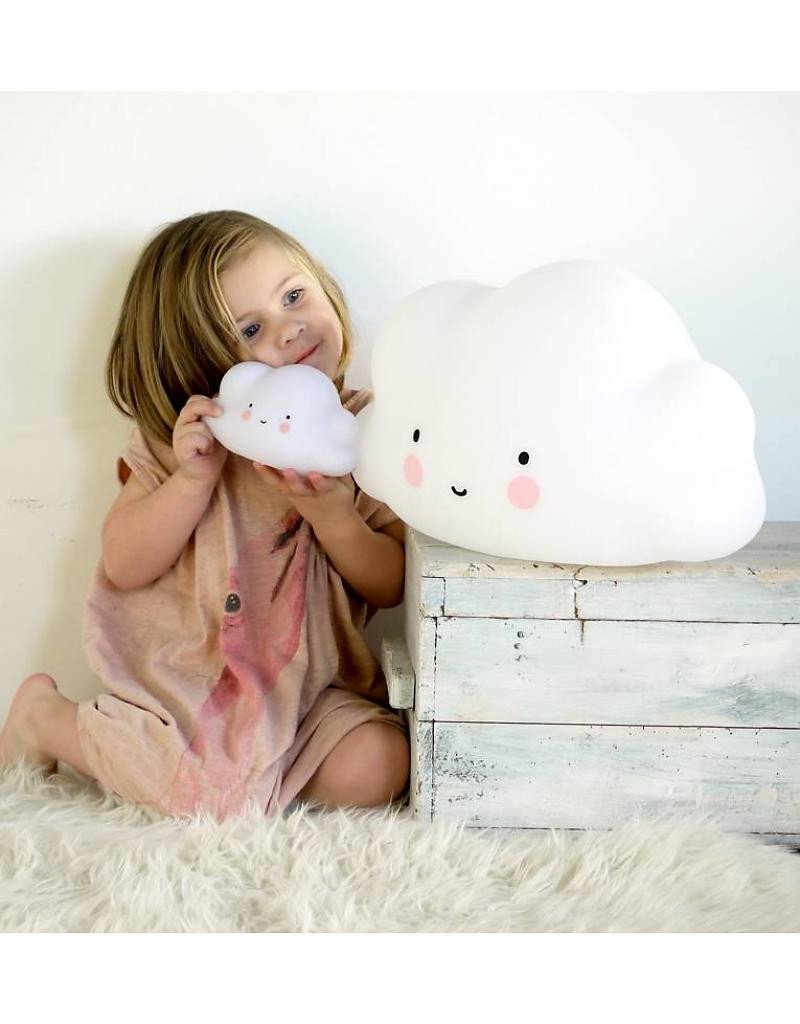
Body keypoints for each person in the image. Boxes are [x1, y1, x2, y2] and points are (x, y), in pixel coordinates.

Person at [0, 210, 411, 820]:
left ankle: (246, 780)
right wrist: (192, 482)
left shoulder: (366, 434)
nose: (290, 329)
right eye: (251, 328)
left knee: (381, 764)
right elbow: (125, 564)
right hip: (190, 688)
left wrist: (336, 517)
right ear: (208, 361)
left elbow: (392, 582)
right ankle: (46, 719)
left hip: (310, 693)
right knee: (187, 789)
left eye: (294, 296)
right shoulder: (187, 443)